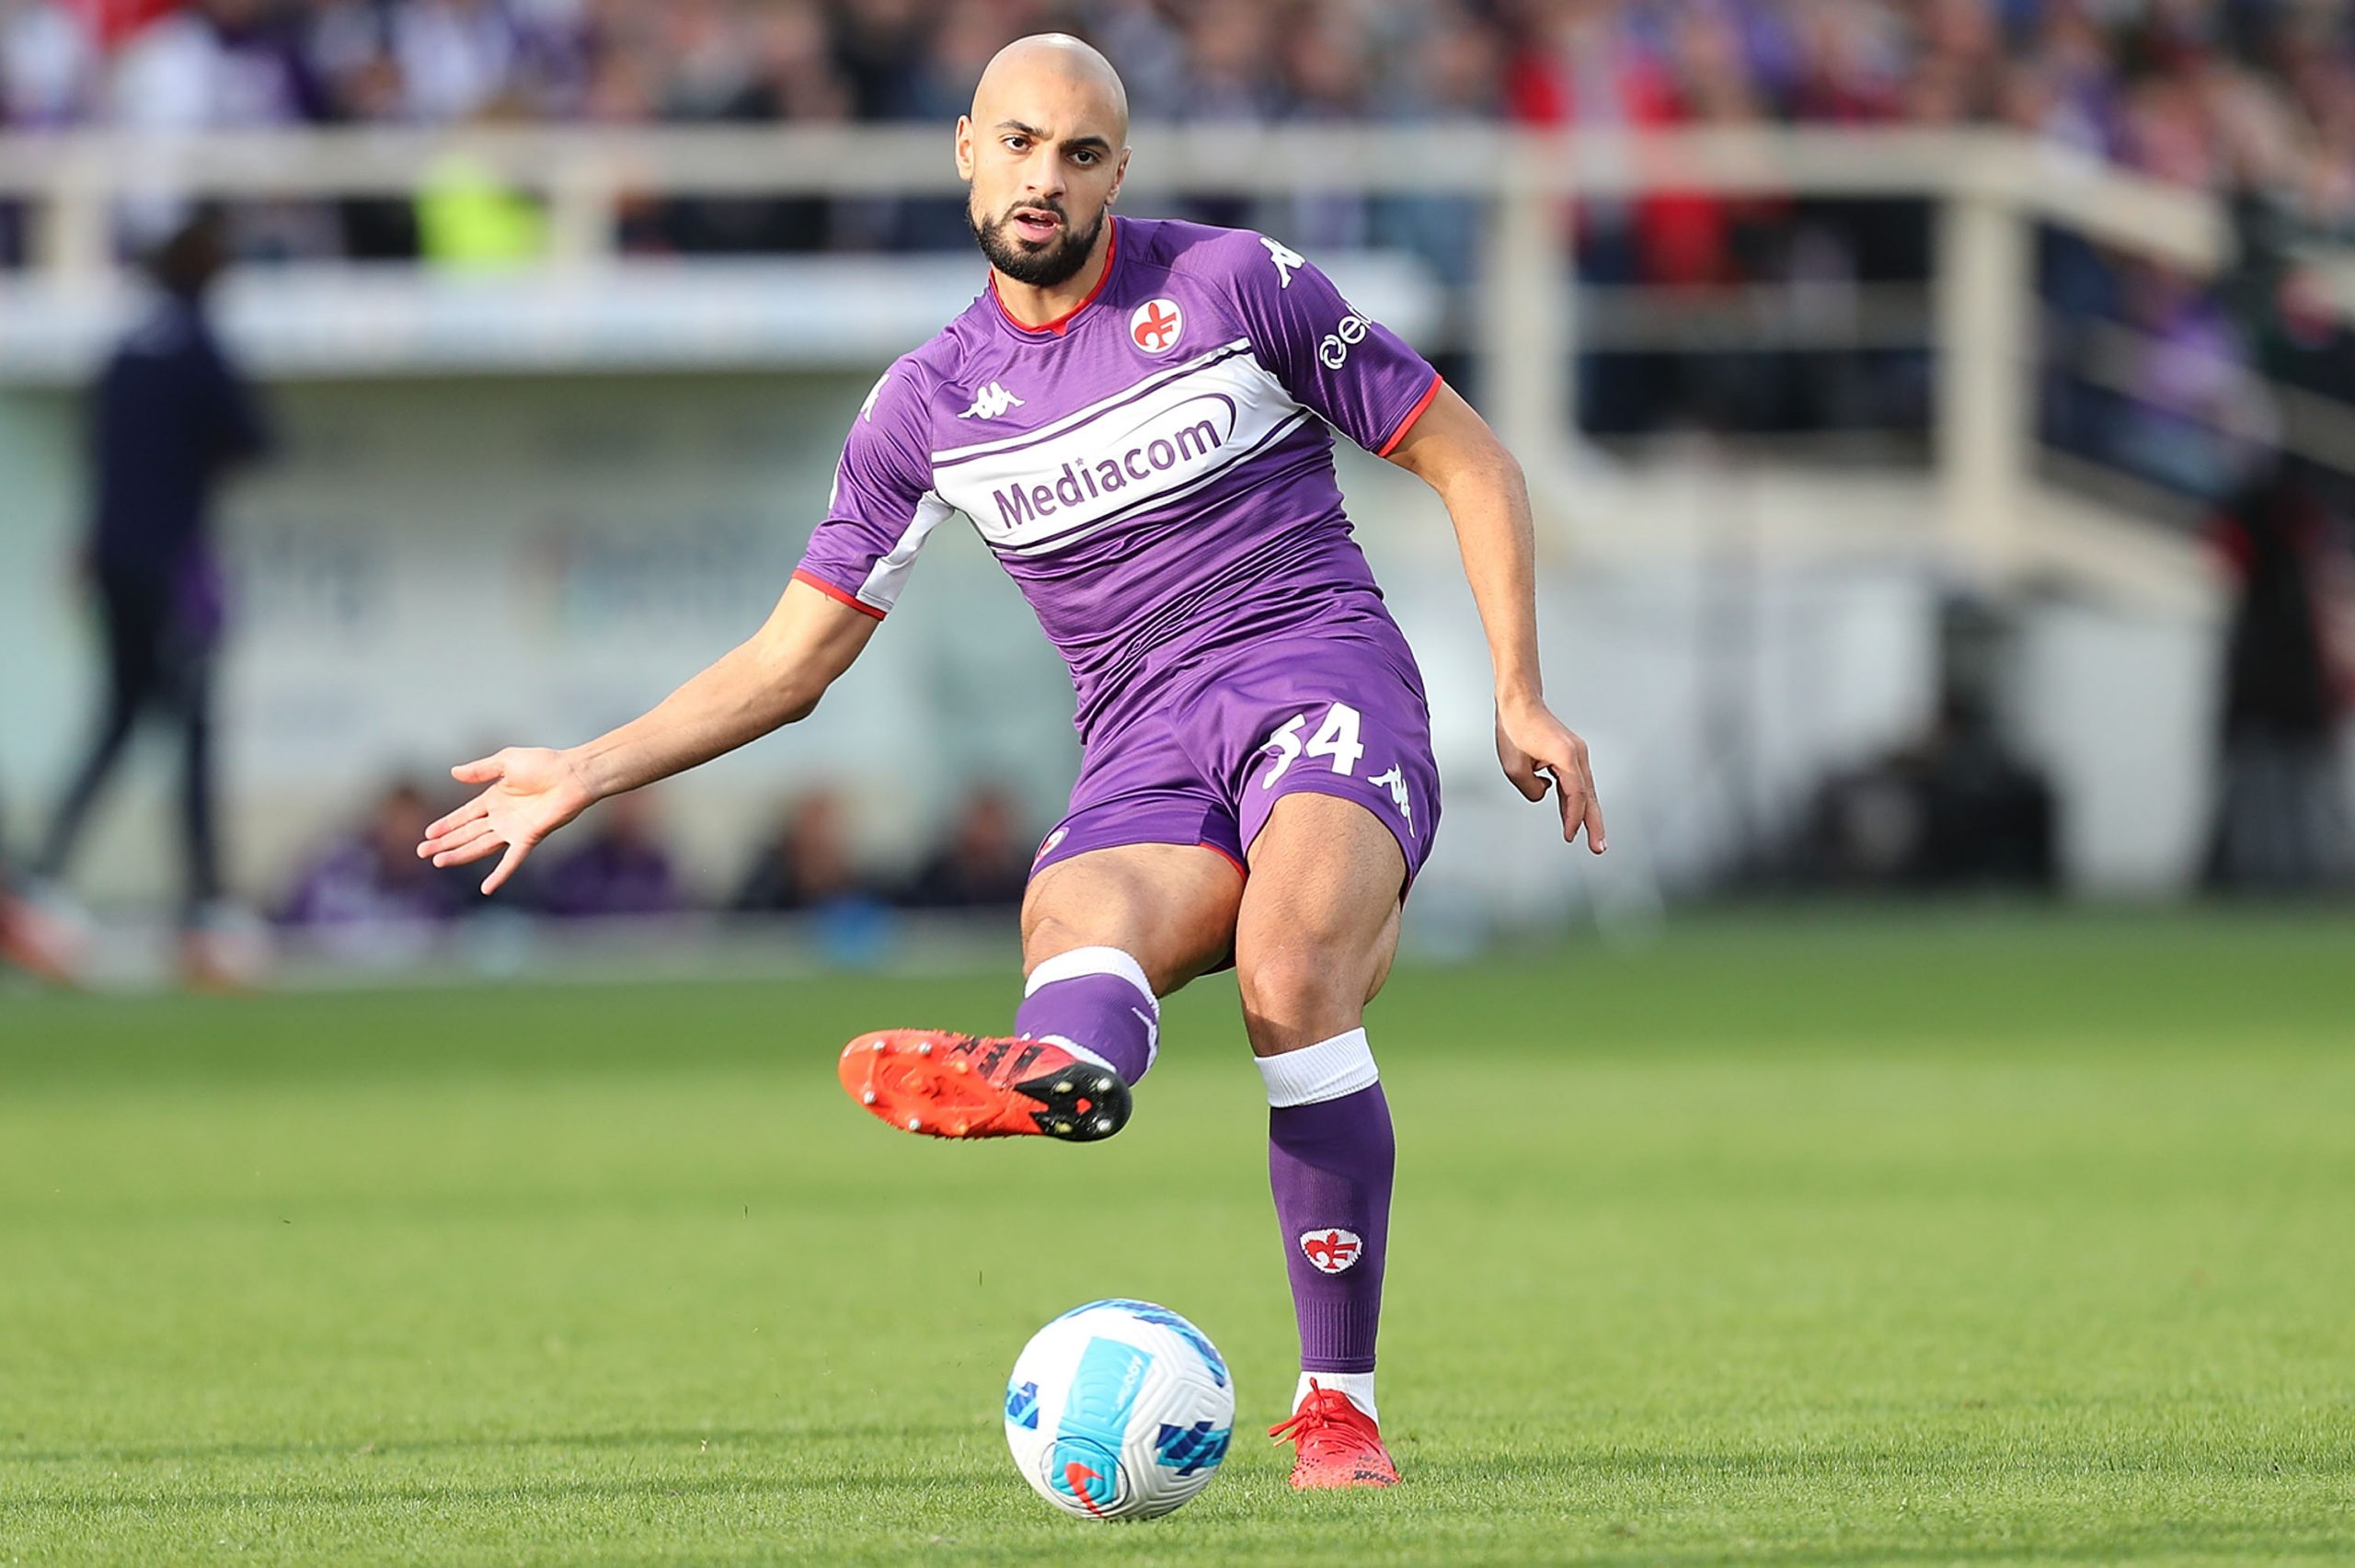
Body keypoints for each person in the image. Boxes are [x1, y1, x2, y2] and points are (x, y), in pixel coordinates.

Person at [417, 34, 1603, 1495]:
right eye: (1023, 144)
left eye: (1082, 154)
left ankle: (1338, 1414)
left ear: (1120, 170)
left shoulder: (1236, 285)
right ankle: (1069, 1070)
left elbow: (1472, 460)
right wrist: (585, 771)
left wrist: (1520, 693)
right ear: (967, 149)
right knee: (1070, 914)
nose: (1048, 178)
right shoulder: (926, 405)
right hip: (1142, 738)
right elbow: (791, 662)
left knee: (1291, 973)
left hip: (1318, 675)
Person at [31, 207, 270, 984]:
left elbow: (98, 451)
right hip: (174, 562)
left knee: (119, 719)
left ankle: (39, 881)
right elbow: (253, 437)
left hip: (113, 559)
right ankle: (205, 910)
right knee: (194, 732)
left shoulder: (125, 350)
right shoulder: (198, 347)